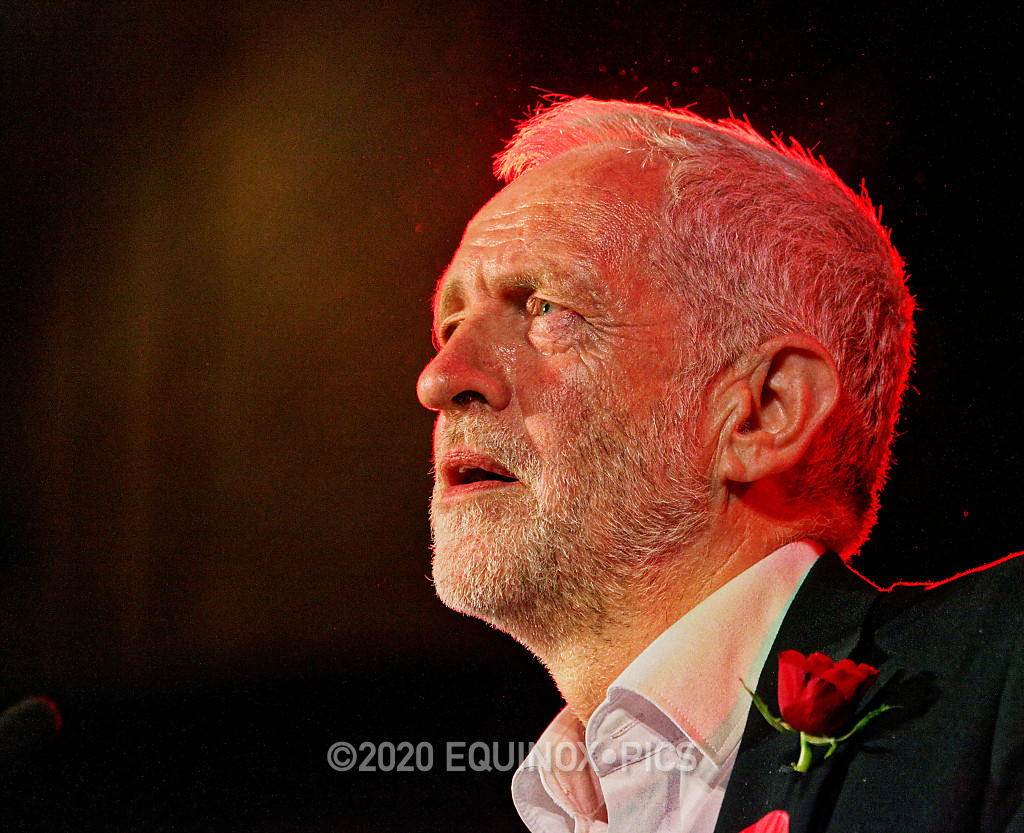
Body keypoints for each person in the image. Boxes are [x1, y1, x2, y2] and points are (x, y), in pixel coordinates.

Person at [415, 97, 1024, 833]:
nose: (440, 378)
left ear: (766, 410)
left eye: (545, 308)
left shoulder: (1004, 669)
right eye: (452, 324)